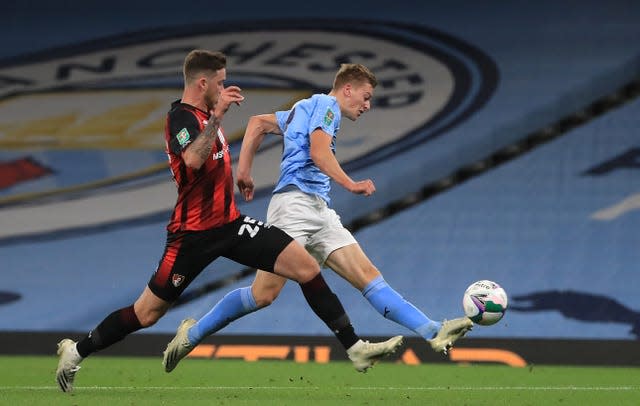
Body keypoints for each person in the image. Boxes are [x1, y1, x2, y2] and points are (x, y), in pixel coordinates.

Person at [55, 50, 403, 393]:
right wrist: (218, 117)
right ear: (202, 82)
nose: (224, 90)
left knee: (305, 267)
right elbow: (192, 160)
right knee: (147, 313)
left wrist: (243, 174)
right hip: (192, 235)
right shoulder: (181, 117)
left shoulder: (205, 114)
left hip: (231, 225)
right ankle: (76, 351)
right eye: (219, 83)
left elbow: (217, 160)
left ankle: (355, 348)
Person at [162, 63, 473, 373]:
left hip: (318, 209)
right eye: (365, 97)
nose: (367, 105)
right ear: (346, 89)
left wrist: (244, 172)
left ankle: (432, 330)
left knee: (367, 275)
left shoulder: (305, 106)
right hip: (294, 207)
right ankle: (192, 335)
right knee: (263, 294)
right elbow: (319, 153)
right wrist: (351, 184)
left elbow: (257, 123)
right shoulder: (327, 107)